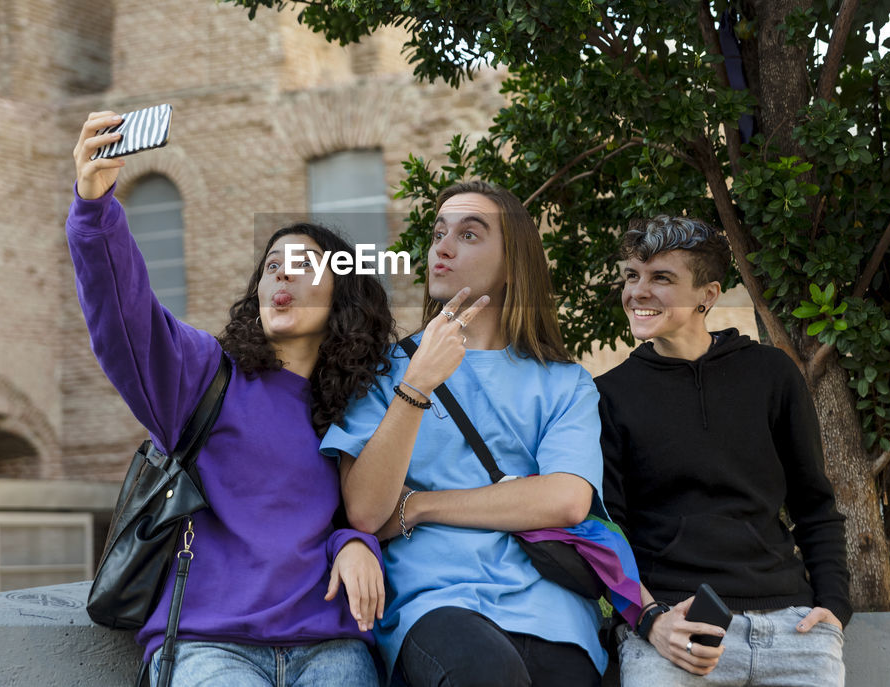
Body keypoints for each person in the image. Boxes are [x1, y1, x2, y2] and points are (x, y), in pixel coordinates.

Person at [68, 110, 393, 687]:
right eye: (271, 267)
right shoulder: (204, 374)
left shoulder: (363, 403)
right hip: (209, 645)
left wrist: (355, 540)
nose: (280, 279)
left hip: (331, 647)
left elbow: (364, 509)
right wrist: (95, 211)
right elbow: (125, 320)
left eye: (301, 267)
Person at [321, 181, 608, 687]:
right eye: (438, 233)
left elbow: (565, 499)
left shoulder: (565, 382)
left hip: (554, 614)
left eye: (469, 234)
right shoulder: (383, 372)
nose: (442, 247)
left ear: (512, 262)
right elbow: (366, 511)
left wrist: (422, 506)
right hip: (436, 602)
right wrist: (418, 384)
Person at [596, 214, 851, 686]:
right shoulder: (609, 396)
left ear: (707, 296)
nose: (638, 292)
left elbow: (815, 505)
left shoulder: (771, 376)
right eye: (632, 276)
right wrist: (649, 621)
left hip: (792, 630)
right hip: (675, 632)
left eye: (661, 278)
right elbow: (608, 533)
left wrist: (833, 608)